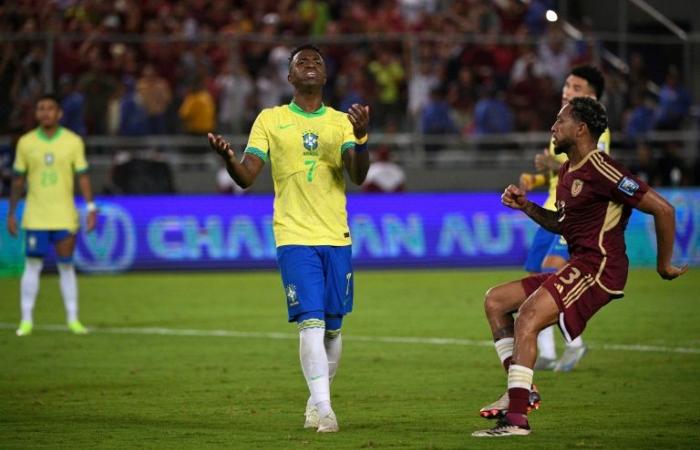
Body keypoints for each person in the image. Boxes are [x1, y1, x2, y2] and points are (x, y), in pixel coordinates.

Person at [472, 97, 687, 437]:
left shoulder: (603, 168)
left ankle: (516, 419)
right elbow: (562, 222)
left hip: (601, 266)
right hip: (580, 264)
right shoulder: (566, 170)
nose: (553, 128)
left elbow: (664, 209)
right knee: (495, 301)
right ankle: (522, 389)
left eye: (560, 121)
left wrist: (663, 265)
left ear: (581, 129)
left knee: (528, 315)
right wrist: (527, 206)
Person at [207, 45, 370, 433]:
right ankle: (326, 410)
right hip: (293, 234)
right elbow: (247, 176)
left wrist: (362, 138)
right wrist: (229, 158)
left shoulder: (340, 122)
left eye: (317, 62)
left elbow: (358, 175)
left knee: (333, 326)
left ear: (325, 77)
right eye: (302, 62)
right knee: (310, 323)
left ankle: (316, 401)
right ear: (289, 77)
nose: (310, 65)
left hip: (336, 234)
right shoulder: (271, 119)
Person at [517, 65, 609, 374]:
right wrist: (535, 177)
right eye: (567, 84)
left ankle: (576, 344)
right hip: (550, 208)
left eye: (576, 87)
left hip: (573, 214)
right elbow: (559, 172)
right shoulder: (561, 123)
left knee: (551, 273)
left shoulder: (596, 129)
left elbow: (592, 165)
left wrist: (552, 159)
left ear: (591, 97)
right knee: (535, 282)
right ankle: (545, 353)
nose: (567, 89)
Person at [6, 93, 98, 336]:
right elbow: (17, 181)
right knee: (32, 264)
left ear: (59, 113)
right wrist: (12, 212)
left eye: (50, 108)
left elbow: (83, 176)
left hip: (64, 215)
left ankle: (73, 319)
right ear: (36, 114)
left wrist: (90, 207)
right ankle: (26, 320)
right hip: (36, 215)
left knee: (66, 266)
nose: (45, 112)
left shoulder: (73, 141)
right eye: (41, 109)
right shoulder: (26, 143)